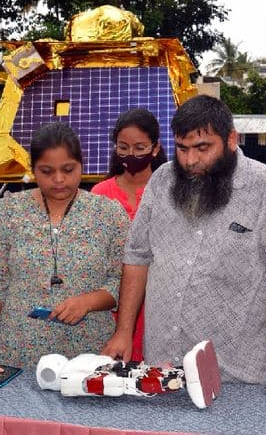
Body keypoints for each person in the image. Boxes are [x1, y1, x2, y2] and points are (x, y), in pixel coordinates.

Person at [102, 94, 266, 396]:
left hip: (237, 373)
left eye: (202, 148)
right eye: (182, 148)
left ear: (231, 139)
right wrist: (124, 332)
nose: (190, 161)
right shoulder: (161, 182)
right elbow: (138, 256)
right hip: (163, 368)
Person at [0, 122, 129, 374]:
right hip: (16, 352)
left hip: (89, 355)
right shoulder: (8, 211)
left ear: (81, 165)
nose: (59, 180)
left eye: (68, 169)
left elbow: (123, 282)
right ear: (33, 170)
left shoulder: (109, 213)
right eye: (47, 171)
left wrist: (88, 301)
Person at [91, 108, 166, 363]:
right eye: (123, 147)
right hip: (112, 302)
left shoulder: (169, 192)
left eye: (140, 147)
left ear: (155, 148)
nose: (131, 155)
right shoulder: (100, 193)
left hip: (159, 302)